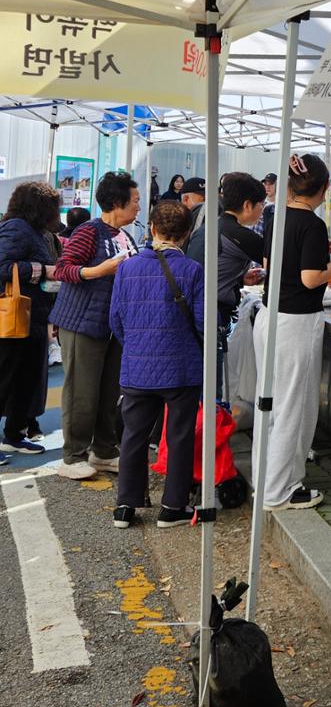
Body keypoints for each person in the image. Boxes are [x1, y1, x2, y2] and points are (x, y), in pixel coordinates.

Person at [254, 154, 331, 510]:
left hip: (270, 315)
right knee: (294, 405)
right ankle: (280, 490)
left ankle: (267, 479)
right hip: (296, 322)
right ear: (324, 189)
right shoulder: (311, 224)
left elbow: (269, 265)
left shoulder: (273, 215)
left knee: (271, 403)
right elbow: (311, 278)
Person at [110, 200, 204, 529]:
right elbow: (204, 322)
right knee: (178, 436)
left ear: (152, 229)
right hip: (182, 368)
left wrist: (137, 345)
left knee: (134, 435)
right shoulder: (193, 270)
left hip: (136, 366)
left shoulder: (126, 268)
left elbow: (116, 321)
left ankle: (126, 505)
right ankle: (172, 508)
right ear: (187, 234)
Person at [50, 171, 140, 480]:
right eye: (136, 201)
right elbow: (64, 270)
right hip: (82, 324)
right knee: (81, 392)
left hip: (112, 325)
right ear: (117, 203)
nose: (139, 208)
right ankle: (73, 455)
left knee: (107, 391)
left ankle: (104, 450)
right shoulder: (89, 231)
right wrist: (97, 270)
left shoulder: (125, 236)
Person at [189, 173, 266, 398]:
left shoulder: (210, 227)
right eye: (261, 205)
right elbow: (283, 262)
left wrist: (240, 279)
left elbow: (208, 267)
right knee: (212, 386)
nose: (262, 210)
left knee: (199, 381)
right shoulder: (239, 234)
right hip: (210, 315)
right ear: (247, 205)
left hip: (193, 309)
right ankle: (209, 430)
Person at [0, 182, 62, 459]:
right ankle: (13, 434)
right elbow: (1, 266)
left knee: (25, 380)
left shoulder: (33, 230)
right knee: (6, 379)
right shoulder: (17, 228)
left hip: (31, 317)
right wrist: (42, 270)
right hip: (15, 317)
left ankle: (15, 434)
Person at [254, 172, 277, 238]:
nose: (267, 187)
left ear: (277, 185)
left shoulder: (280, 207)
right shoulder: (258, 203)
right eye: (265, 184)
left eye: (270, 184)